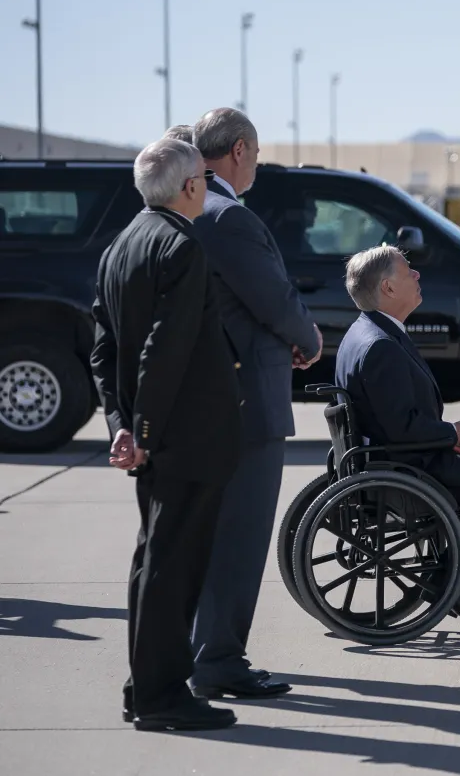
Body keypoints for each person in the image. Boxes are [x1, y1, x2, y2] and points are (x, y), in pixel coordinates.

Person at [90, 138, 242, 731]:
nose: (205, 187)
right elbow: (165, 349)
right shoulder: (180, 247)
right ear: (188, 187)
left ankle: (145, 687)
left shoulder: (120, 246)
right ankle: (161, 697)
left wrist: (121, 425)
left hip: (154, 437)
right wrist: (143, 429)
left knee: (153, 560)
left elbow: (103, 353)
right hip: (184, 438)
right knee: (173, 565)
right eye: (203, 178)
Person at [187, 107, 321, 700]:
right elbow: (274, 297)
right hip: (245, 403)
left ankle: (200, 650)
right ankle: (218, 660)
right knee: (238, 539)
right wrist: (307, 338)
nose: (257, 166)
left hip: (204, 397)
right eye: (258, 155)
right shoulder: (228, 217)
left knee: (205, 537)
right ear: (239, 150)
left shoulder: (182, 211)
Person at [336, 244, 460, 626]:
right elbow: (402, 429)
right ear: (388, 288)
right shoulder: (380, 347)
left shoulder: (367, 332)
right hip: (410, 468)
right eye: (409, 271)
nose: (418, 275)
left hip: (399, 458)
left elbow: (397, 420)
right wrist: (452, 433)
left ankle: (457, 570)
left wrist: (452, 433)